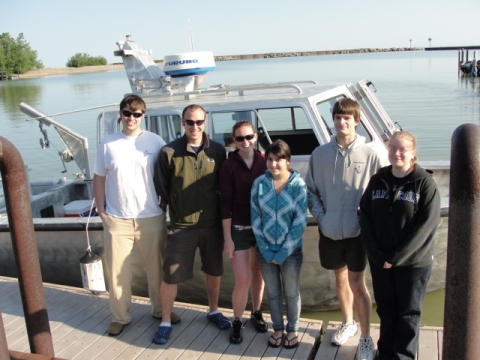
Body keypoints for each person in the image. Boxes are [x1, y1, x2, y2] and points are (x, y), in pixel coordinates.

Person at [305, 98, 387, 360]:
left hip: (358, 233)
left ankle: (365, 337)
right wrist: (322, 217)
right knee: (339, 278)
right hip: (329, 231)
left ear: (357, 121)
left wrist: (368, 222)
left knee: (357, 282)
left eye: (347, 118)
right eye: (338, 117)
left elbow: (380, 194)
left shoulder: (371, 154)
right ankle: (348, 322)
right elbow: (311, 192)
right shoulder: (320, 155)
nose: (342, 122)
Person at [93, 94, 180, 336]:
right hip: (117, 219)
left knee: (157, 271)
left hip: (151, 217)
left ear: (144, 115)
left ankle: (160, 310)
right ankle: (120, 316)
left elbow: (167, 175)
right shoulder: (107, 143)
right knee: (118, 272)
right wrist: (101, 210)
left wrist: (165, 202)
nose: (131, 118)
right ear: (120, 114)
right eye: (127, 113)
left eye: (137, 114)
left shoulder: (155, 141)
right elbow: (99, 178)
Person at [152, 104, 229, 345]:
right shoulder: (168, 152)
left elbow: (222, 186)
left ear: (205, 122)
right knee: (171, 276)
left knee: (214, 271)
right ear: (182, 123)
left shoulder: (218, 151)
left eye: (198, 122)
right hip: (181, 227)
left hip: (212, 225)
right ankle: (165, 321)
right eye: (189, 122)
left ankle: (213, 310)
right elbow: (162, 187)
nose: (194, 127)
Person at [360, 131, 440, 360]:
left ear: (413, 153)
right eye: (393, 148)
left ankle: (403, 356)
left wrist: (396, 257)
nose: (396, 153)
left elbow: (426, 226)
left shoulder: (424, 183)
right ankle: (385, 353)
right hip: (380, 260)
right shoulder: (379, 179)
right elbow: (364, 214)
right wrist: (375, 253)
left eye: (402, 149)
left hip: (413, 263)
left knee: (409, 313)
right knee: (386, 310)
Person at [251, 139, 307, 349]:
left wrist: (282, 252)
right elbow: (255, 218)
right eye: (270, 159)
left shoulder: (298, 185)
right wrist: (265, 249)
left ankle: (292, 329)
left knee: (291, 293)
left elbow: (300, 222)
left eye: (279, 160)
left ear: (288, 161)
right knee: (273, 293)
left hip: (291, 252)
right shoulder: (259, 184)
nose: (274, 164)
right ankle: (278, 328)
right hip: (264, 251)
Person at [219, 121, 268, 344]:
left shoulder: (265, 161)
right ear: (234, 141)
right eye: (240, 139)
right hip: (238, 228)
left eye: (248, 137)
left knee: (258, 273)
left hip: (261, 229)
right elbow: (225, 204)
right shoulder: (228, 166)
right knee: (243, 279)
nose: (245, 142)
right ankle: (237, 320)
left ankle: (256, 312)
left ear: (255, 136)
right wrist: (228, 239)